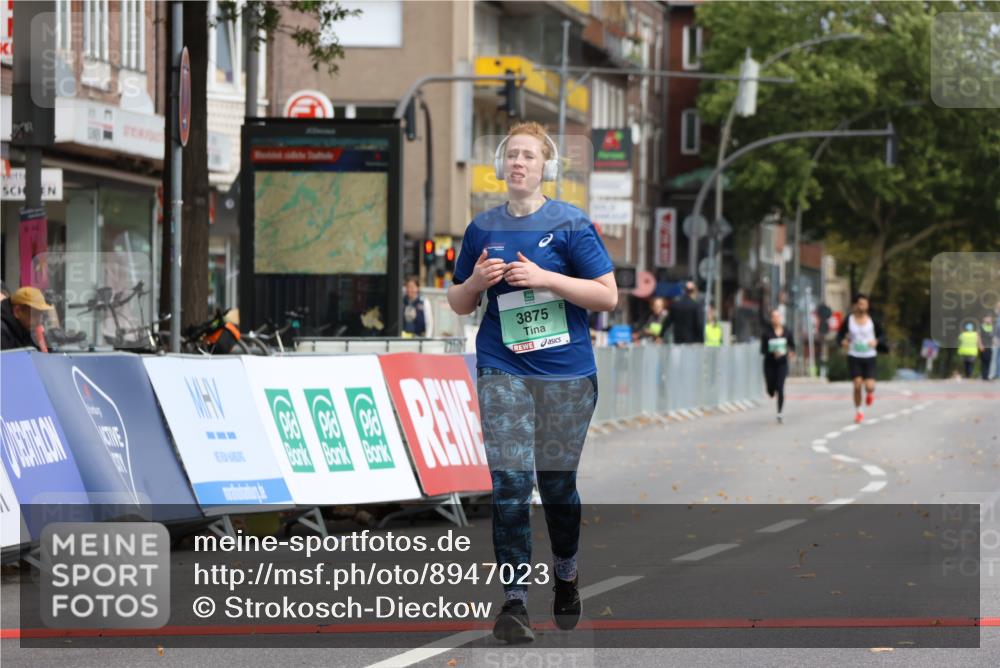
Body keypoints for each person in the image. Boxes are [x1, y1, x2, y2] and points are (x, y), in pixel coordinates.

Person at [447, 121, 617, 644]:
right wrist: (476, 282)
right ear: (503, 167)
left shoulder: (571, 225)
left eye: (529, 156)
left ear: (545, 168)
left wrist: (544, 279)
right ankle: (514, 602)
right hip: (504, 366)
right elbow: (458, 302)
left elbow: (607, 297)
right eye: (512, 155)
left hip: (566, 372)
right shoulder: (481, 228)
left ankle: (565, 575)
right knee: (512, 481)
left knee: (556, 483)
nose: (518, 163)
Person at [836, 293, 885, 423]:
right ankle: (859, 411)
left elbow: (882, 335)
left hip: (869, 356)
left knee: (869, 386)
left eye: (865, 303)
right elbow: (839, 335)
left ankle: (869, 393)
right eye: (861, 303)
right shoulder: (849, 320)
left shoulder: (872, 320)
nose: (863, 306)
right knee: (857, 385)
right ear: (855, 305)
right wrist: (843, 342)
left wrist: (876, 341)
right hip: (854, 355)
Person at [761, 308, 795, 423]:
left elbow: (792, 347)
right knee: (771, 390)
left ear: (781, 318)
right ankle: (771, 390)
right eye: (773, 317)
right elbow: (763, 350)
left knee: (780, 387)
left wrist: (790, 353)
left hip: (782, 364)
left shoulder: (787, 332)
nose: (776, 319)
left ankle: (779, 412)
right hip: (769, 364)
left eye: (778, 316)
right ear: (771, 319)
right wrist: (772, 352)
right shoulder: (767, 333)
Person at [1, 286, 54, 351]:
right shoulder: (2, 332)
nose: (39, 320)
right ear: (17, 311)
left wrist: (44, 341)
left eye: (41, 314)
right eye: (34, 315)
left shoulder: (30, 330)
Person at [979, 314, 994, 381]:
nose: (989, 320)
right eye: (988, 318)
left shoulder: (992, 327)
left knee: (989, 361)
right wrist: (980, 345)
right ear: (984, 319)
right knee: (984, 361)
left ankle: (987, 375)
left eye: (990, 318)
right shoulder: (981, 326)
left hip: (990, 346)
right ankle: (984, 375)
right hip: (984, 346)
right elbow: (978, 336)